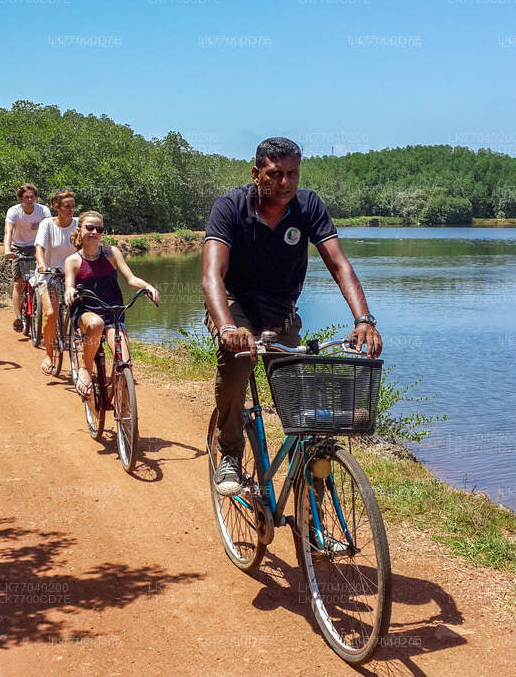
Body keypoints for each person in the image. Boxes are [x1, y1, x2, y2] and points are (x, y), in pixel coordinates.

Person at [202, 137, 382, 496]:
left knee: (302, 407)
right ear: (256, 174)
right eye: (275, 174)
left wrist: (364, 319)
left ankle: (313, 512)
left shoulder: (308, 206)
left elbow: (338, 264)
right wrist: (225, 326)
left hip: (281, 316)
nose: (284, 183)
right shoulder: (230, 208)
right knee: (238, 363)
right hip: (234, 306)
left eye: (292, 174)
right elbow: (211, 276)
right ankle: (232, 454)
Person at [63, 211, 159, 405]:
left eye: (99, 229)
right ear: (80, 229)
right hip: (85, 311)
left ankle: (121, 405)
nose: (94, 232)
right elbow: (69, 285)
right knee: (96, 324)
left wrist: (147, 286)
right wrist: (69, 292)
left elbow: (131, 279)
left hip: (112, 311)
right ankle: (86, 369)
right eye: (90, 227)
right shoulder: (72, 260)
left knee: (125, 362)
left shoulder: (111, 253)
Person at [34, 190, 78, 375]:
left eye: (73, 206)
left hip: (72, 275)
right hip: (49, 275)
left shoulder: (78, 224)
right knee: (51, 313)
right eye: (67, 206)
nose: (71, 210)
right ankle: (49, 355)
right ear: (56, 207)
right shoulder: (47, 224)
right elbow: (39, 247)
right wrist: (42, 264)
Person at [4, 184, 51, 333]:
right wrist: (7, 249)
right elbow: (8, 231)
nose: (29, 200)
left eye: (32, 197)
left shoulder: (43, 210)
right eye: (26, 197)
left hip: (38, 247)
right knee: (19, 283)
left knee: (43, 280)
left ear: (36, 197)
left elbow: (51, 229)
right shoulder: (14, 211)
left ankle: (40, 308)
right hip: (18, 248)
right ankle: (18, 317)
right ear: (20, 199)